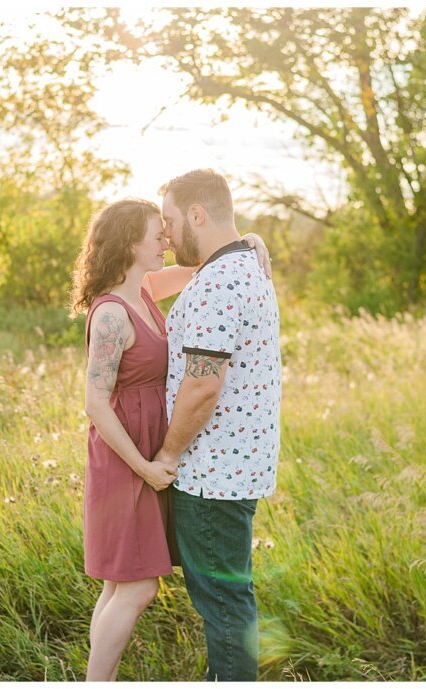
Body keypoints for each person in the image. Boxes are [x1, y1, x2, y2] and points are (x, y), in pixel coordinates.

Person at [70, 198, 270, 682]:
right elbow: (95, 403)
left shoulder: (144, 288)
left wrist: (251, 241)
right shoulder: (115, 313)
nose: (165, 240)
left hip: (144, 449)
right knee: (138, 589)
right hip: (126, 456)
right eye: (155, 234)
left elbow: (203, 262)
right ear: (128, 243)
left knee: (118, 585)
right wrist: (145, 466)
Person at [152, 169, 282, 681]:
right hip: (233, 467)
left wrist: (167, 454)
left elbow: (203, 385)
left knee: (226, 608)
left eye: (169, 220)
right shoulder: (244, 264)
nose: (166, 233)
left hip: (211, 475)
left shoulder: (220, 283)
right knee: (229, 602)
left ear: (197, 215)